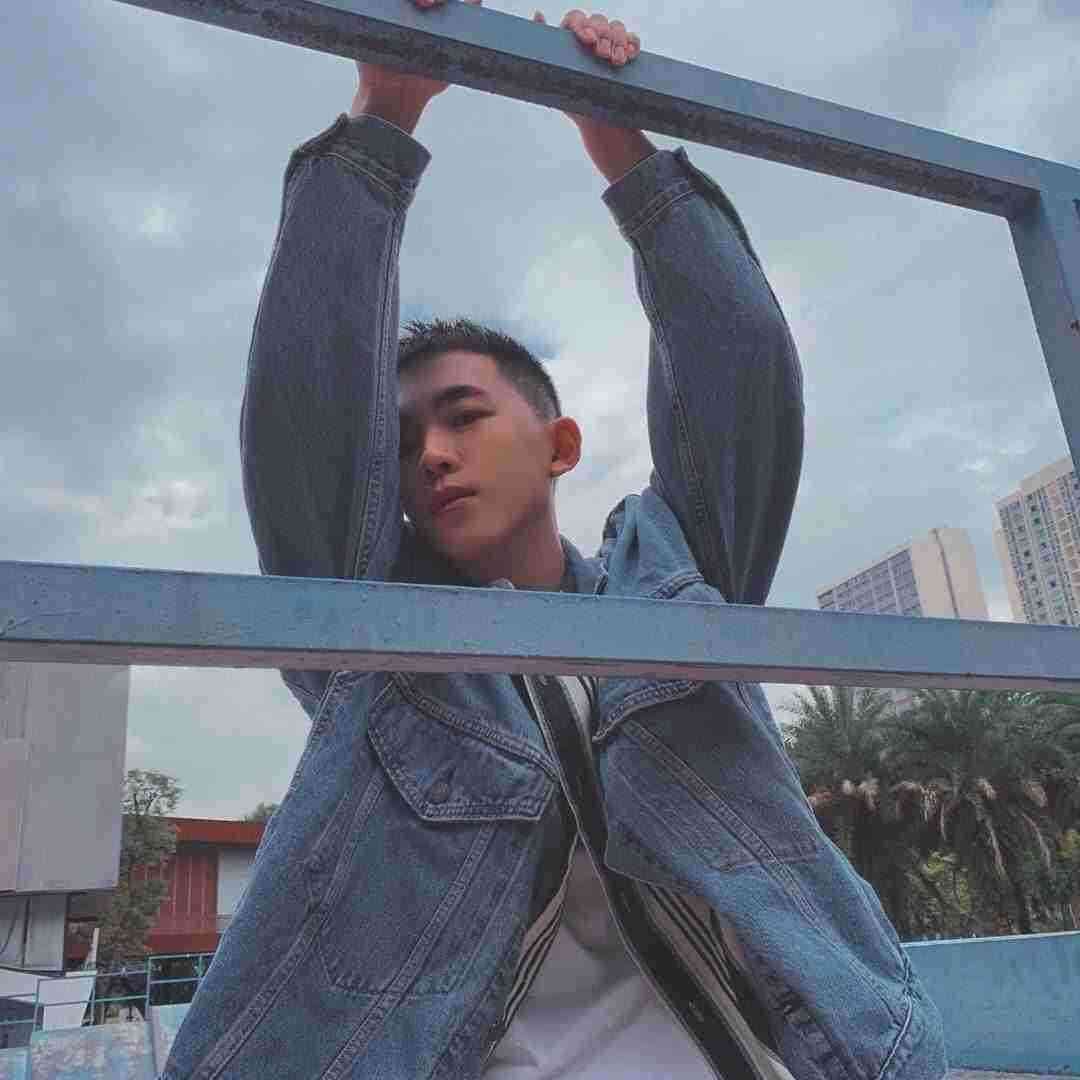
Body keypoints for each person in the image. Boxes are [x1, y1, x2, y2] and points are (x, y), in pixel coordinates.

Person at [162, 4, 947, 1077]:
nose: (432, 456)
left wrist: (612, 129)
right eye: (401, 442)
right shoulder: (374, 642)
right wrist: (387, 105)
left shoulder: (669, 586)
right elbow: (305, 408)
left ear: (562, 443)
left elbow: (742, 369)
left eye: (464, 417)